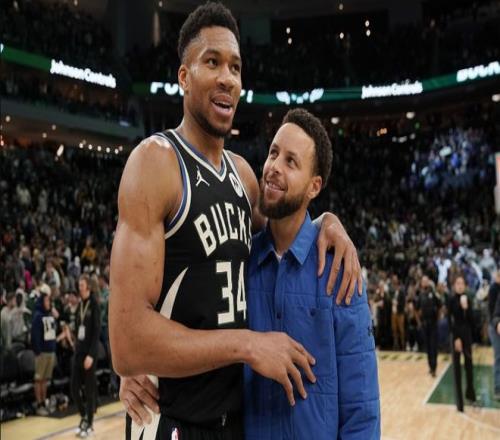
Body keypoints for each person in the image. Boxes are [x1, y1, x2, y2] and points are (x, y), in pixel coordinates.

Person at [110, 3, 362, 440]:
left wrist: (328, 221)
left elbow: (289, 232)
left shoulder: (244, 177)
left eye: (235, 67)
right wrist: (247, 344)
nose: (227, 77)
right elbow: (128, 341)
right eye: (212, 62)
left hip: (237, 424)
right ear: (184, 76)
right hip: (172, 422)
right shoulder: (155, 163)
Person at [244, 108, 380, 438]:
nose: (274, 167)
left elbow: (361, 409)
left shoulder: (340, 270)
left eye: (291, 161)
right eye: (273, 153)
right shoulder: (242, 261)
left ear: (314, 187)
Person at [72, 274, 101, 438]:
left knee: (89, 391)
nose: (80, 287)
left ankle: (89, 424)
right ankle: (83, 416)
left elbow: (96, 332)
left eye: (82, 284)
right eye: (79, 284)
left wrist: (91, 354)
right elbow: (78, 328)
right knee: (74, 388)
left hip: (89, 354)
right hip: (79, 353)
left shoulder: (94, 305)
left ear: (88, 287)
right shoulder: (79, 305)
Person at [448, 276, 476, 411]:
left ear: (465, 286)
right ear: (454, 286)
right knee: (457, 370)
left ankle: (471, 396)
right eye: (457, 283)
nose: (460, 285)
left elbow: (472, 321)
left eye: (462, 283)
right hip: (456, 337)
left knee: (469, 367)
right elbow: (450, 321)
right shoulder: (451, 300)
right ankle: (459, 404)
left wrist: (466, 308)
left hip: (467, 336)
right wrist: (456, 338)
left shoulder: (468, 299)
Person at [31, 292, 57, 416]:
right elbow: (34, 335)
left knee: (45, 380)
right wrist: (38, 351)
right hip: (42, 353)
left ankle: (44, 402)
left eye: (49, 301)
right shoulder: (38, 316)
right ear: (42, 302)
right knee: (39, 379)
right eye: (47, 301)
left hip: (50, 351)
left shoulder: (49, 315)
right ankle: (39, 404)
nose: (49, 303)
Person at [417, 275, 441, 377]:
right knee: (427, 346)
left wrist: (438, 318)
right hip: (425, 324)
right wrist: (419, 321)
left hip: (433, 323)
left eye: (426, 281)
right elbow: (416, 308)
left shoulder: (433, 293)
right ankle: (430, 367)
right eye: (423, 281)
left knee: (433, 346)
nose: (425, 283)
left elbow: (440, 305)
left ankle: (434, 367)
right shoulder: (421, 295)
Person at [490, 274, 500, 401]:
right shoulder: (494, 289)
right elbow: (495, 314)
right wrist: (497, 323)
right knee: (499, 357)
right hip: (495, 329)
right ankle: (498, 388)